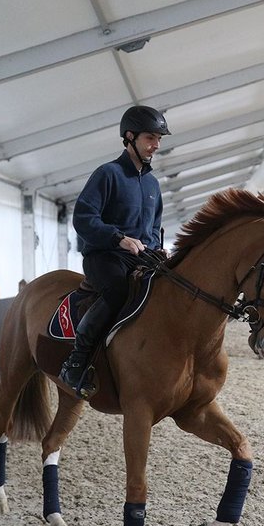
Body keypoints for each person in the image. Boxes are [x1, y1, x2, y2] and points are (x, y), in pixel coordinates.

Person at [58, 105, 170, 399]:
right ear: (129, 137)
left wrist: (158, 250)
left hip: (142, 257)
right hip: (105, 256)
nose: (156, 145)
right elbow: (83, 218)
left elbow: (155, 226)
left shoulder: (152, 184)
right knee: (119, 291)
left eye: (159, 139)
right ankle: (76, 361)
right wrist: (118, 238)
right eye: (150, 138)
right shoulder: (107, 174)